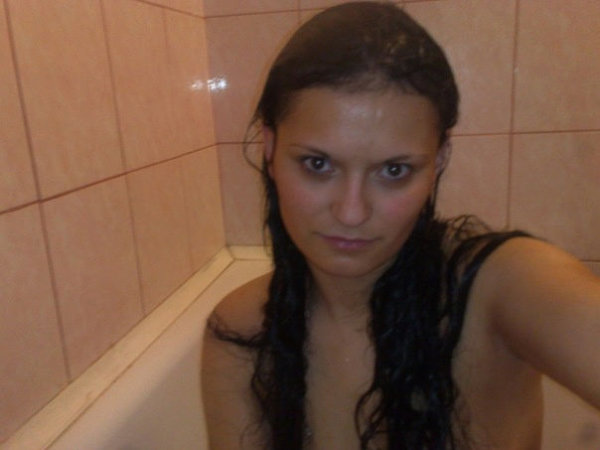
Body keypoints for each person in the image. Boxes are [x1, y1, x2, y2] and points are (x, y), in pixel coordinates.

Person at [201, 2, 600, 449]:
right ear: (270, 148)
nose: (352, 213)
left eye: (394, 171)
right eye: (317, 164)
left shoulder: (499, 289)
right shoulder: (242, 329)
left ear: (439, 161)